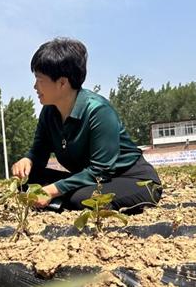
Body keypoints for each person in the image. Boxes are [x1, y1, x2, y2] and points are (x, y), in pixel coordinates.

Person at [11, 37, 162, 212]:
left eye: (40, 79)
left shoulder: (98, 111)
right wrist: (27, 160)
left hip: (132, 180)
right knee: (27, 180)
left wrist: (52, 190)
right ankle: (59, 202)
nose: (35, 86)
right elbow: (39, 152)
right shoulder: (49, 112)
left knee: (83, 199)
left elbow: (101, 171)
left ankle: (60, 202)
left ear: (62, 82)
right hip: (89, 180)